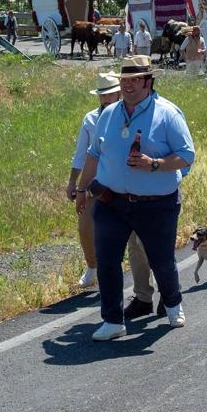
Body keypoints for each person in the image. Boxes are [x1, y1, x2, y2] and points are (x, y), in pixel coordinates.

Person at [75, 55, 195, 341]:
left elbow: (187, 155)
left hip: (156, 203)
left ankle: (173, 302)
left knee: (161, 259)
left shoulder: (168, 113)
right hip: (111, 200)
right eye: (124, 81)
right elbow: (94, 154)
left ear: (148, 82)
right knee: (106, 259)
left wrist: (154, 163)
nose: (128, 86)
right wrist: (82, 189)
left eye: (135, 80)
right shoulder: (109, 113)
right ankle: (113, 320)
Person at [68, 73, 152, 298]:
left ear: (118, 93)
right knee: (86, 226)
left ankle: (145, 287)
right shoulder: (91, 119)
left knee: (138, 240)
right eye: (101, 95)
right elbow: (83, 155)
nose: (105, 99)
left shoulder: (134, 114)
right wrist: (74, 184)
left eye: (109, 95)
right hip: (97, 183)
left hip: (129, 184)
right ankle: (93, 267)